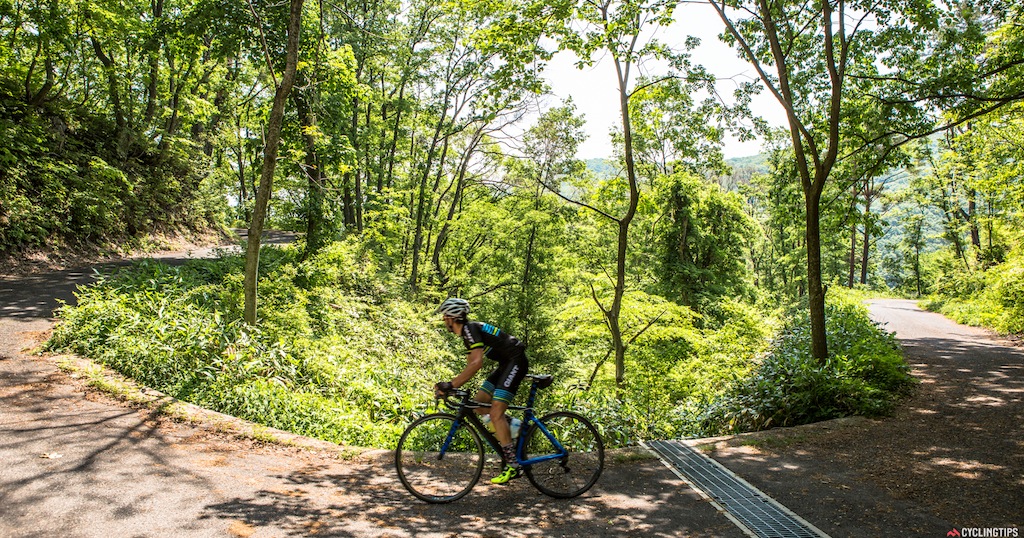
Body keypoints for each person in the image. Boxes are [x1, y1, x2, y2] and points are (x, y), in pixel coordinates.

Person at [433, 297, 528, 485]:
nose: (444, 321)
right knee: (480, 404)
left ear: (453, 318)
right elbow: (471, 364)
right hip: (506, 363)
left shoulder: (470, 330)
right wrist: (454, 387)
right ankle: (517, 428)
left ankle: (512, 465)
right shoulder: (469, 334)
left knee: (495, 413)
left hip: (515, 362)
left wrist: (451, 385)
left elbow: (477, 363)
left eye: (445, 317)